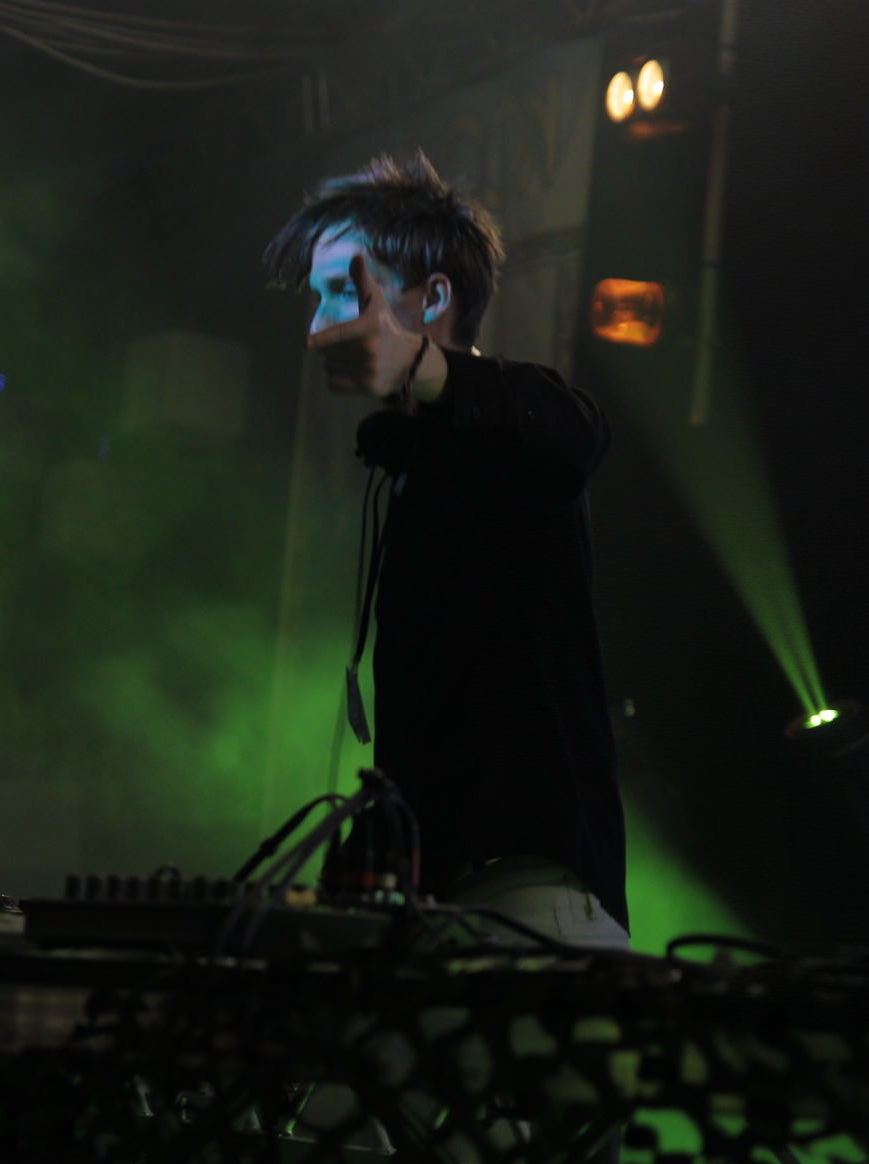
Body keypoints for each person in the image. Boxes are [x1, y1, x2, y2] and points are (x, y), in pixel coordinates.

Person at [265, 152, 629, 953]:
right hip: (446, 903)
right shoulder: (413, 465)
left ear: (432, 298)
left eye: (341, 292)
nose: (318, 329)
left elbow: (575, 432)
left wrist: (426, 368)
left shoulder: (513, 422)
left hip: (527, 899)